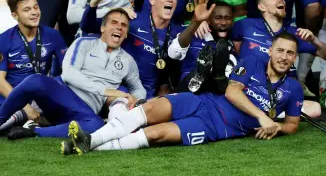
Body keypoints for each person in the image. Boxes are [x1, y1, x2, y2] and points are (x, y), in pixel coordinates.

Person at [62, 34, 303, 153]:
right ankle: (91, 140)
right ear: (270, 50)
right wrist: (262, 117)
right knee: (150, 109)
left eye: (289, 53)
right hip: (203, 102)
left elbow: (292, 124)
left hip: (216, 129)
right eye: (279, 50)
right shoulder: (253, 62)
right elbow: (232, 92)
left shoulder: (294, 88)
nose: (283, 57)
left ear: (295, 57)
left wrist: (276, 126)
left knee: (156, 135)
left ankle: (85, 146)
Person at [0, 9, 145, 140]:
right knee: (34, 80)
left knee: (97, 125)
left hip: (84, 109)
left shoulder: (128, 61)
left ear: (126, 34)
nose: (119, 27)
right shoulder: (83, 43)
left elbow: (138, 87)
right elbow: (69, 73)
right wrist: (104, 91)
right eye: (114, 22)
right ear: (102, 27)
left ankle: (34, 132)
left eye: (124, 25)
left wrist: (136, 100)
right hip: (62, 93)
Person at [232, 0, 326, 118]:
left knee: (315, 109)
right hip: (251, 89)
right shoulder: (245, 25)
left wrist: (315, 40)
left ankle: (260, 112)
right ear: (262, 6)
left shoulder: (295, 34)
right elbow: (232, 42)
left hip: (280, 94)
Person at [0, 0, 67, 124]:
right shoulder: (4, 39)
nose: (34, 13)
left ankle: (25, 123)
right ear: (15, 15)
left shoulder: (53, 35)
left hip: (40, 96)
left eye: (35, 7)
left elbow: (68, 68)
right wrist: (25, 107)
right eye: (27, 10)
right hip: (11, 96)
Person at [122, 0, 190, 98]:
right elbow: (90, 25)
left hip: (156, 96)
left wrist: (200, 22)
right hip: (127, 91)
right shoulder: (132, 21)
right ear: (152, 0)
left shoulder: (180, 32)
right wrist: (115, 10)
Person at [176, 1, 237, 94]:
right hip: (187, 89)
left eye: (227, 18)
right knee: (195, 75)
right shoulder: (192, 34)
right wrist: (196, 23)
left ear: (233, 21)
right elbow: (173, 53)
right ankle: (201, 73)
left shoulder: (231, 47)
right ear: (208, 19)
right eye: (218, 18)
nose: (223, 22)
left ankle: (217, 72)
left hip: (215, 94)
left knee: (223, 79)